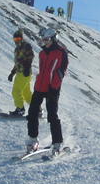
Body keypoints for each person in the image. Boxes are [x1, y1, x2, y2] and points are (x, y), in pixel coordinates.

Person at [25, 25, 69, 154]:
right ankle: (33, 140)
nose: (43, 42)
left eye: (46, 40)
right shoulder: (42, 53)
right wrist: (38, 82)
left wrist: (54, 85)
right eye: (43, 40)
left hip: (52, 88)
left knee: (52, 115)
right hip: (40, 87)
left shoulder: (61, 53)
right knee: (32, 112)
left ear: (53, 39)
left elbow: (62, 71)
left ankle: (57, 142)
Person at [6, 29, 34, 117]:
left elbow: (31, 57)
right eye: (15, 40)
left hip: (24, 73)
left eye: (18, 39)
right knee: (27, 94)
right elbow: (17, 62)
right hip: (20, 72)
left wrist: (27, 67)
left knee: (16, 91)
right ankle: (37, 109)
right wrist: (12, 73)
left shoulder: (26, 46)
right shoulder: (17, 49)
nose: (17, 41)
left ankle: (20, 109)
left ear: (21, 38)